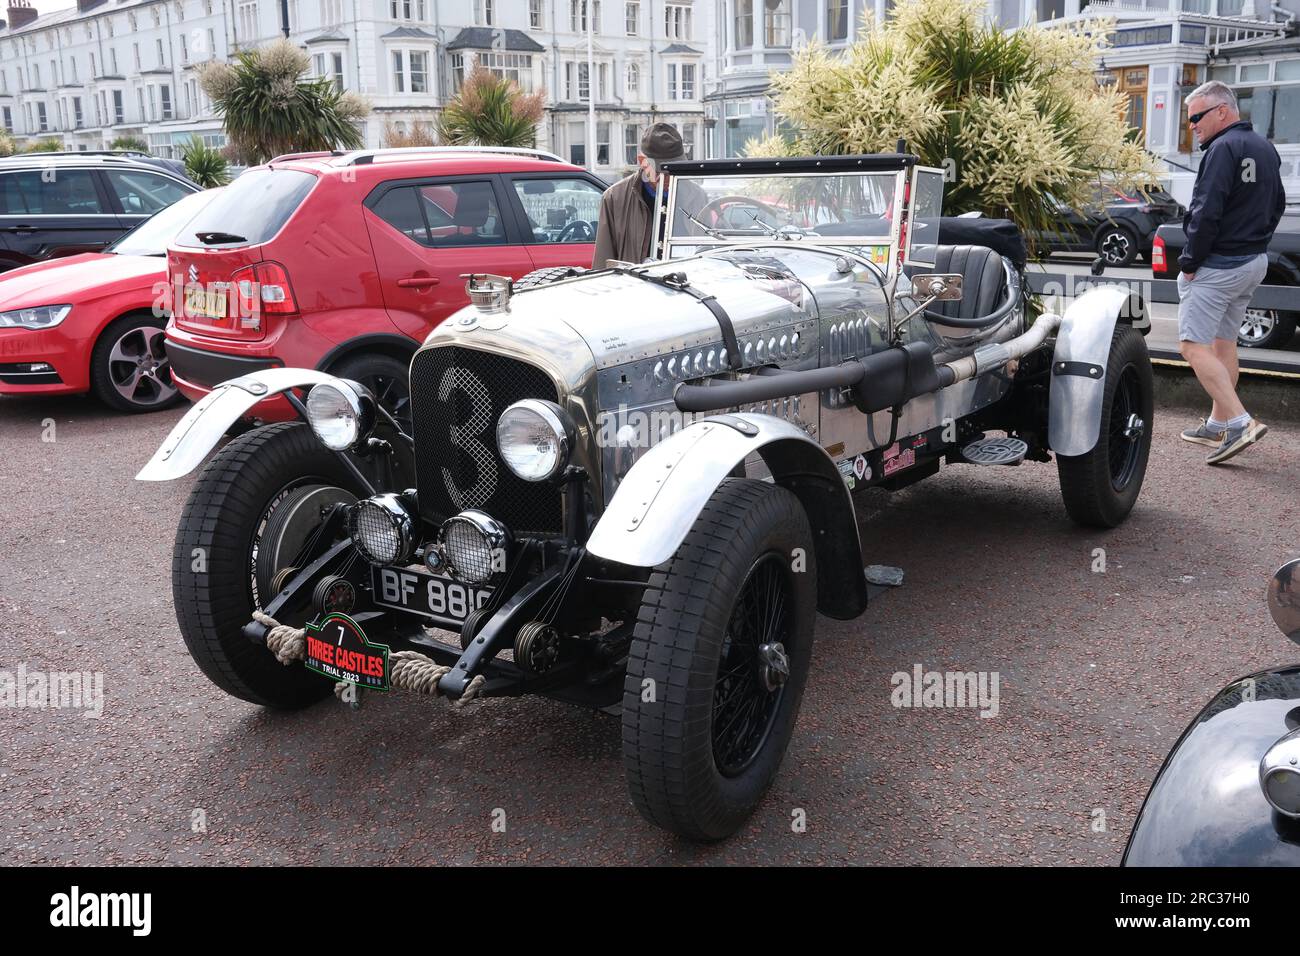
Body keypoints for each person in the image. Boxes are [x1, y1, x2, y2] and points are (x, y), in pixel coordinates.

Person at [1176, 80, 1285, 465]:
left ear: (1222, 111)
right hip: (1252, 261)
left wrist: (1190, 262)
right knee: (1224, 345)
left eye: (1197, 117)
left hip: (1218, 265)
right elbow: (1278, 205)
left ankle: (1239, 422)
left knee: (1191, 346)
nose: (1192, 125)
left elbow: (1206, 211)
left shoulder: (1222, 149)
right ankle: (1216, 424)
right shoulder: (1264, 147)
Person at [592, 123, 688, 269]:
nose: (668, 177)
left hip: (687, 286)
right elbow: (603, 262)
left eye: (676, 169)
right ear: (643, 162)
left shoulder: (695, 196)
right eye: (662, 170)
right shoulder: (614, 198)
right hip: (635, 287)